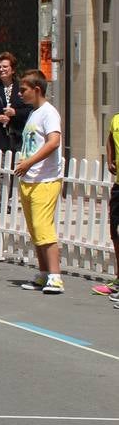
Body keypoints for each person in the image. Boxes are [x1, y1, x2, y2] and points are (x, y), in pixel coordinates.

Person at [13, 70, 64, 295]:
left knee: (44, 229)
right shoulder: (34, 113)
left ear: (37, 90)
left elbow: (53, 142)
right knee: (35, 230)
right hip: (30, 180)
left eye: (23, 90)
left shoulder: (48, 113)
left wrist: (29, 162)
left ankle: (56, 276)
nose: (20, 94)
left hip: (46, 179)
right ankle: (44, 273)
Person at [0, 51, 31, 156]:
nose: (1, 69)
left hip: (18, 138)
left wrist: (15, 112)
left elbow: (29, 109)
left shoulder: (22, 87)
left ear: (13, 69)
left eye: (5, 66)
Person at [99, 110, 119, 298]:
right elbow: (110, 138)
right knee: (115, 232)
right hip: (118, 186)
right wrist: (110, 159)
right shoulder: (116, 119)